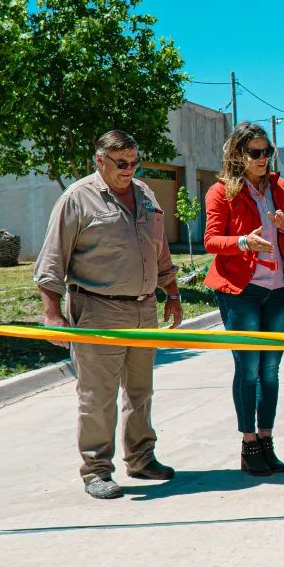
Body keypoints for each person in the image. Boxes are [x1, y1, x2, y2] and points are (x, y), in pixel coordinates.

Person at [34, 130, 183, 499]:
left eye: (134, 162)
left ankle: (141, 458)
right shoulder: (76, 199)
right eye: (121, 163)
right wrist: (53, 315)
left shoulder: (145, 194)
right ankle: (96, 469)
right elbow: (51, 261)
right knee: (97, 396)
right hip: (98, 309)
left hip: (143, 307)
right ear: (99, 161)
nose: (129, 169)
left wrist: (173, 292)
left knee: (140, 390)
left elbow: (159, 248)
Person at [203, 122, 284, 476]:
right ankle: (248, 444)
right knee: (247, 369)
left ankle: (266, 440)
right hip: (240, 291)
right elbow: (211, 240)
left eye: (267, 152)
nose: (263, 159)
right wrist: (243, 241)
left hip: (277, 288)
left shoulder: (281, 187)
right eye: (255, 153)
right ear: (238, 155)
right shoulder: (221, 192)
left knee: (270, 370)